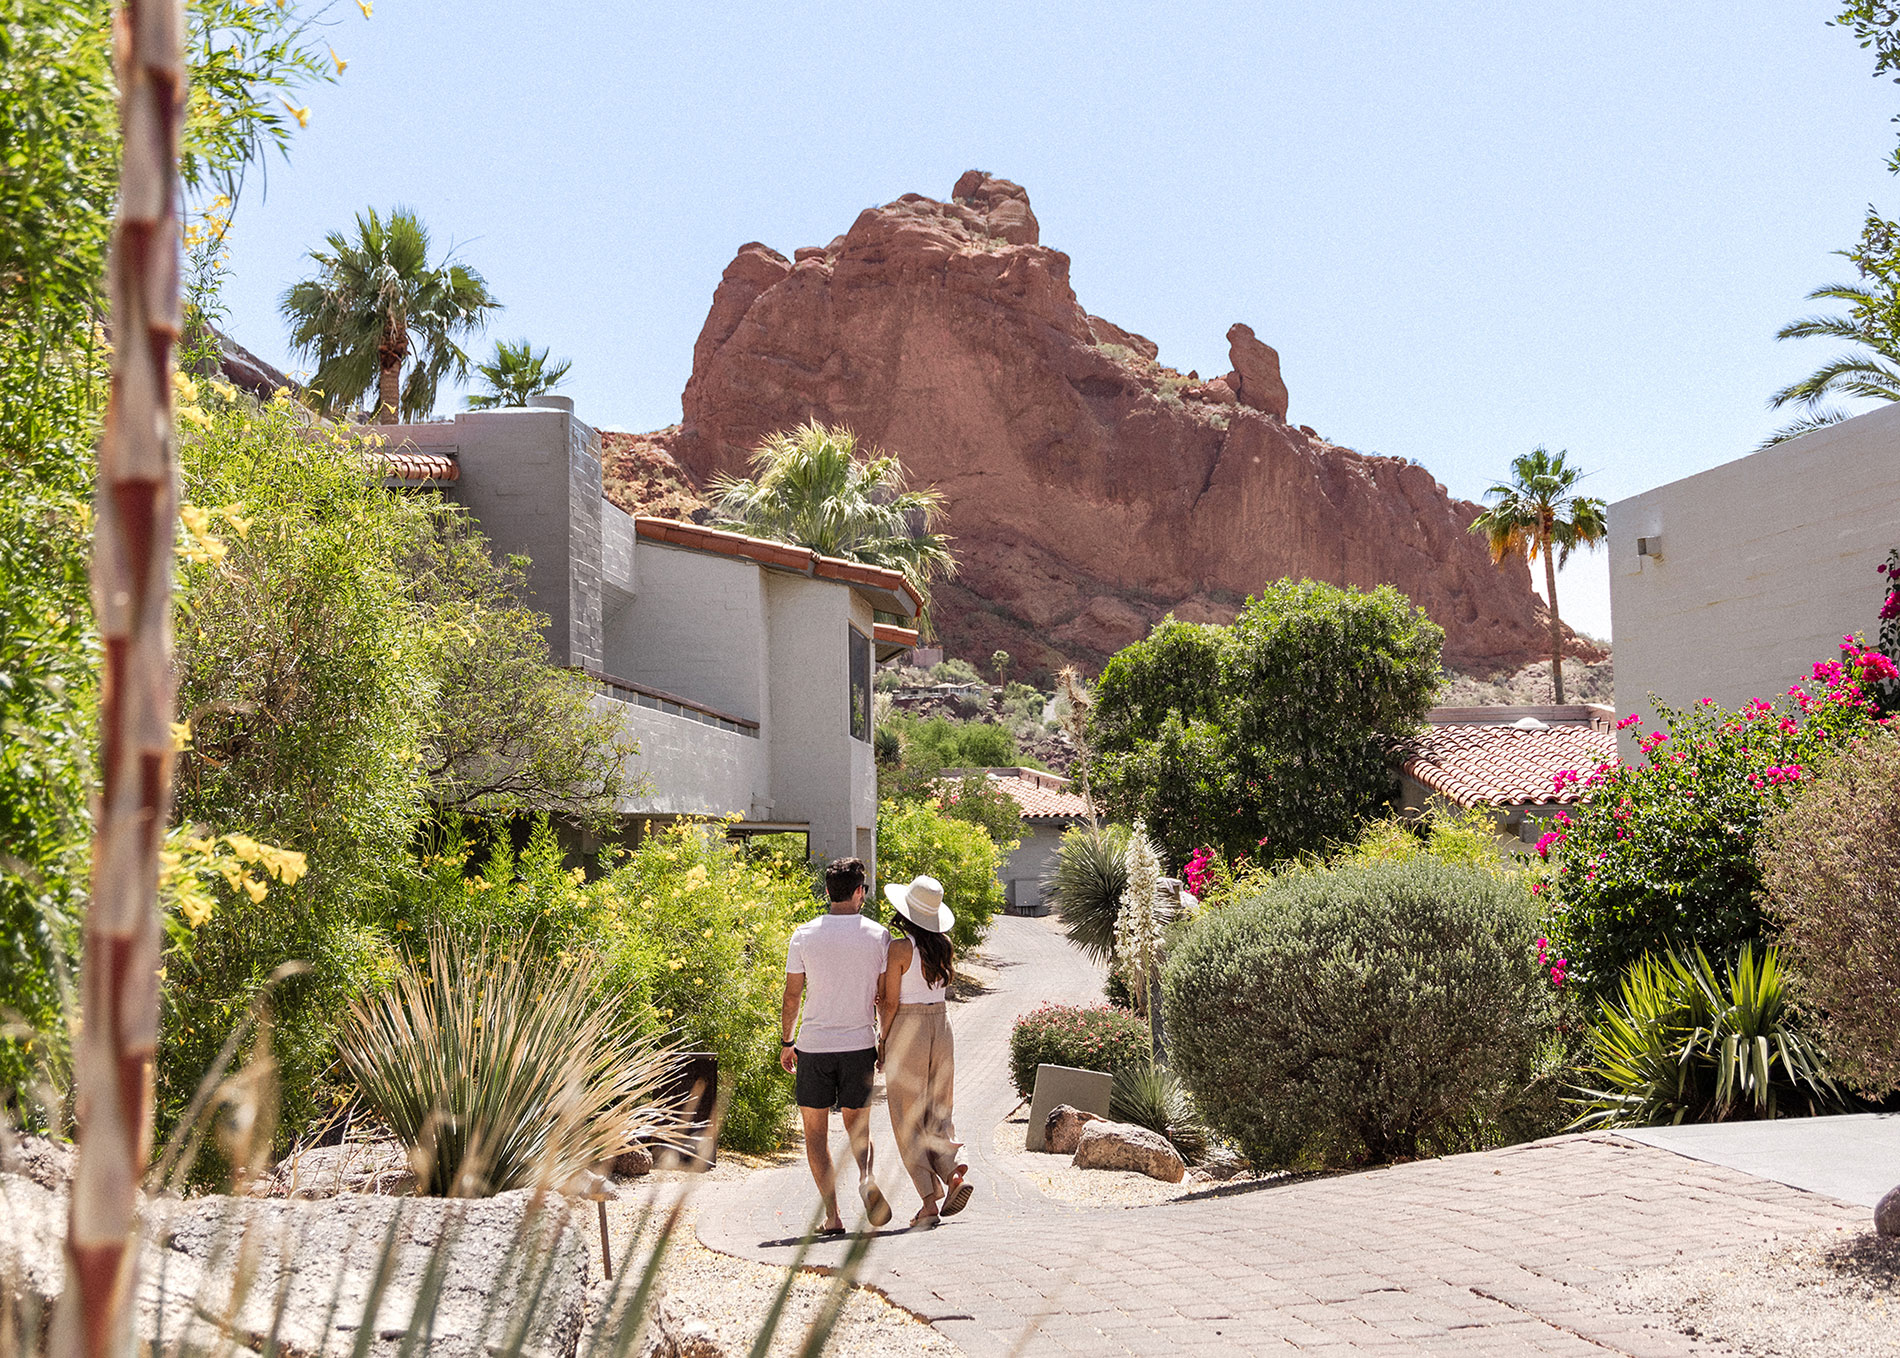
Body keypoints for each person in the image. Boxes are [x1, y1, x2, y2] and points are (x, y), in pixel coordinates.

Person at [781, 857, 893, 1233]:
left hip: (814, 1047)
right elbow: (883, 997)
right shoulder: (879, 936)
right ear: (860, 891)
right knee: (858, 1127)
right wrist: (883, 1041)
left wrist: (787, 1041)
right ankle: (865, 1176)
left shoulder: (804, 935)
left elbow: (792, 996)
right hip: (859, 1044)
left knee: (815, 1133)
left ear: (828, 891)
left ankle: (832, 1217)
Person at [877, 874, 971, 1228]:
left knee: (906, 1117)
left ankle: (929, 1200)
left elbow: (888, 1002)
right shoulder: (944, 945)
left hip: (909, 1027)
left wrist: (883, 1042)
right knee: (939, 1110)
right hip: (942, 1026)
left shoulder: (899, 949)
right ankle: (954, 1174)